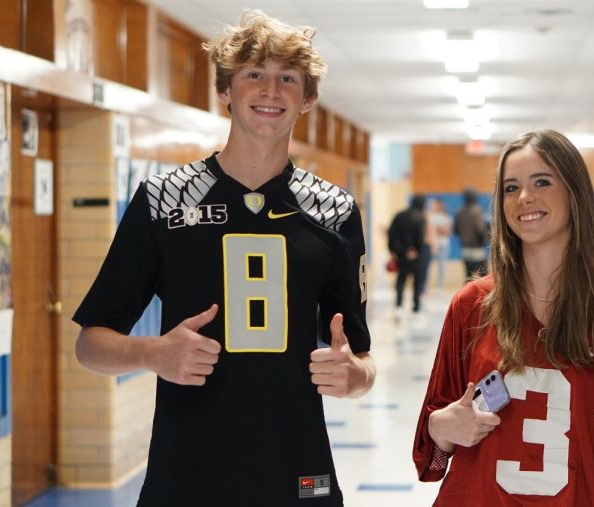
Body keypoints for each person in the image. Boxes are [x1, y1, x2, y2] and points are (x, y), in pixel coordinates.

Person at [72, 10, 375, 506]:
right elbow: (90, 344)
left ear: (308, 99)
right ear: (224, 91)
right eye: (253, 74)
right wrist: (151, 353)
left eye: (288, 79)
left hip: (297, 472)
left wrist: (354, 376)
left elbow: (361, 359)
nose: (270, 91)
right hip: (187, 474)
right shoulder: (164, 200)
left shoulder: (334, 210)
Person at [412, 130, 594, 505]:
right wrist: (441, 426)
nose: (524, 198)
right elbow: (433, 456)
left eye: (542, 182)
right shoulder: (471, 306)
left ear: (574, 192)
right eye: (510, 187)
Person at [387, 194, 429, 313]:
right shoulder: (421, 217)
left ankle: (399, 303)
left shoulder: (399, 215)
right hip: (415, 254)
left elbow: (391, 233)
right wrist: (417, 250)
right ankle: (416, 306)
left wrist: (392, 250)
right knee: (417, 280)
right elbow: (420, 237)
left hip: (400, 253)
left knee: (401, 278)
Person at [454, 188, 488, 282]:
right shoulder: (477, 210)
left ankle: (467, 297)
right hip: (477, 250)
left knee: (468, 278)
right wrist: (485, 240)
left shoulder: (459, 212)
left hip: (465, 250)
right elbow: (480, 230)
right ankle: (483, 297)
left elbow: (456, 230)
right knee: (484, 278)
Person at [428, 198, 453, 288]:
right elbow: (429, 230)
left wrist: (435, 229)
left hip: (443, 245)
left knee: (442, 267)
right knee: (427, 267)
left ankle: (439, 287)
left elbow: (447, 232)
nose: (433, 206)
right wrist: (437, 229)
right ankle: (425, 287)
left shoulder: (445, 217)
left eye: (435, 204)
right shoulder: (429, 217)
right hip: (432, 245)